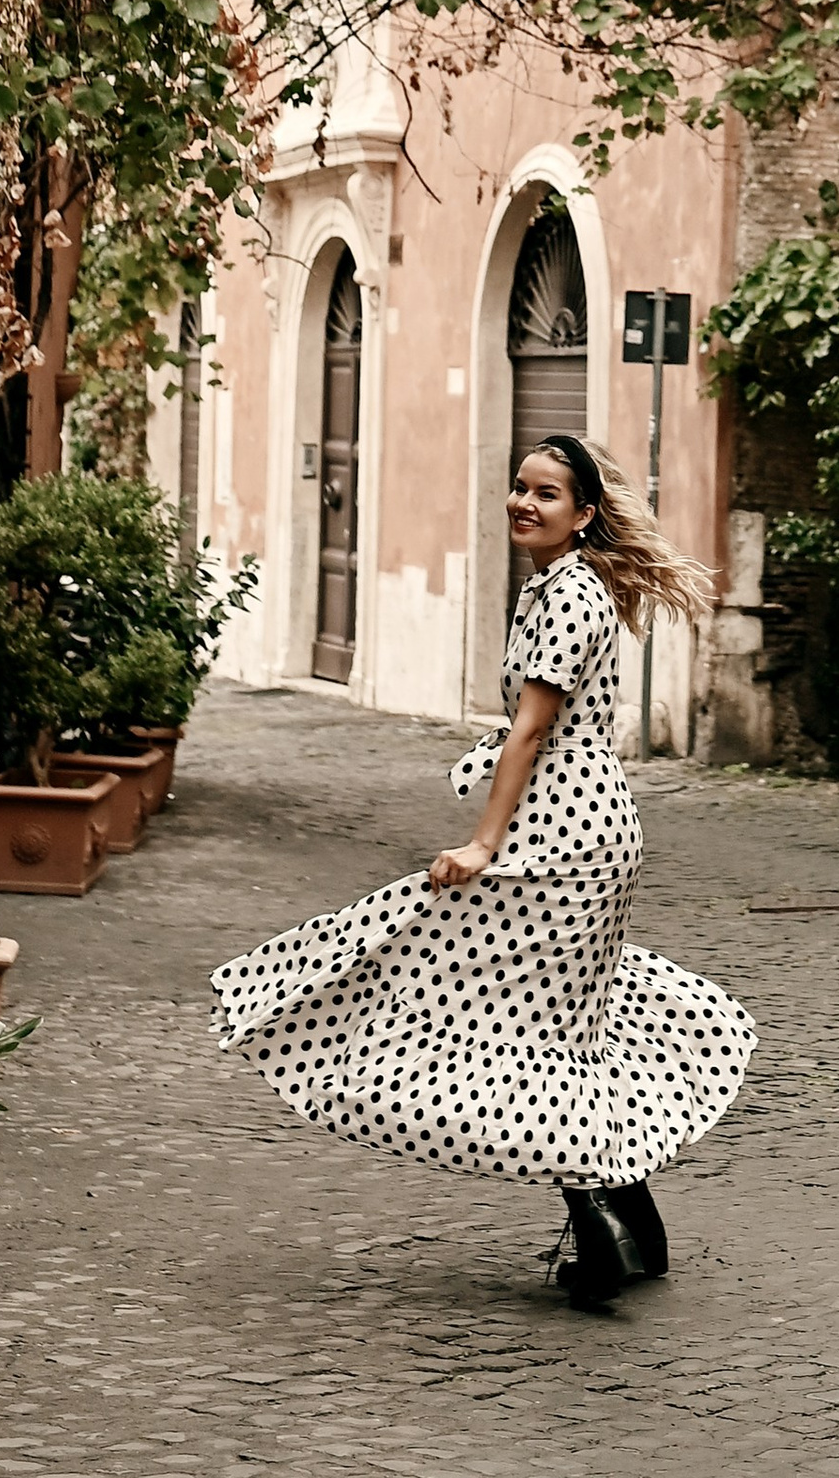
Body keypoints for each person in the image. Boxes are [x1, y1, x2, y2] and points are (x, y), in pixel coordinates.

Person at [211, 432, 755, 1308]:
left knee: (492, 1005)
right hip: (585, 830)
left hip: (561, 838)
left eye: (546, 494)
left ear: (583, 517)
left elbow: (532, 732)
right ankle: (629, 1231)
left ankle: (612, 1236)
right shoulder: (563, 587)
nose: (523, 503)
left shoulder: (568, 596)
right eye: (519, 487)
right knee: (562, 1030)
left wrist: (483, 842)